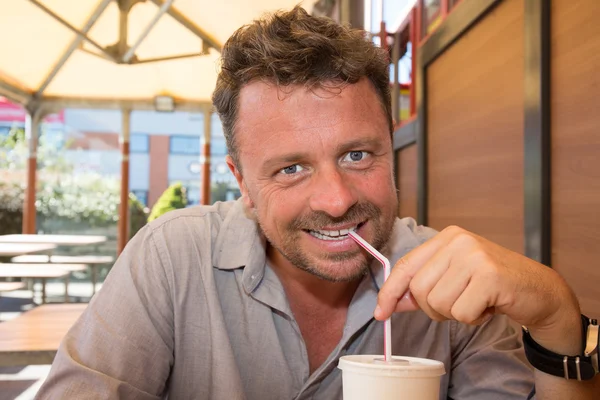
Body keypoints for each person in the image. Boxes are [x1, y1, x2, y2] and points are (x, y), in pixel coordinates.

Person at [37, 6, 598, 399]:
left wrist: (555, 318)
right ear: (243, 185)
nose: (335, 200)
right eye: (291, 168)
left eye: (357, 155)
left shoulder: (455, 293)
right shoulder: (169, 260)